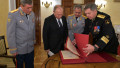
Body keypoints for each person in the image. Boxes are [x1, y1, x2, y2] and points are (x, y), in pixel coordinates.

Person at [7, 0, 35, 68]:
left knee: (30, 66)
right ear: (21, 6)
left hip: (30, 48)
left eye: (31, 7)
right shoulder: (13, 14)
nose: (30, 10)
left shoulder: (32, 14)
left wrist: (34, 41)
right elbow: (10, 33)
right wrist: (13, 49)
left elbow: (32, 29)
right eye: (28, 8)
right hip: (19, 50)